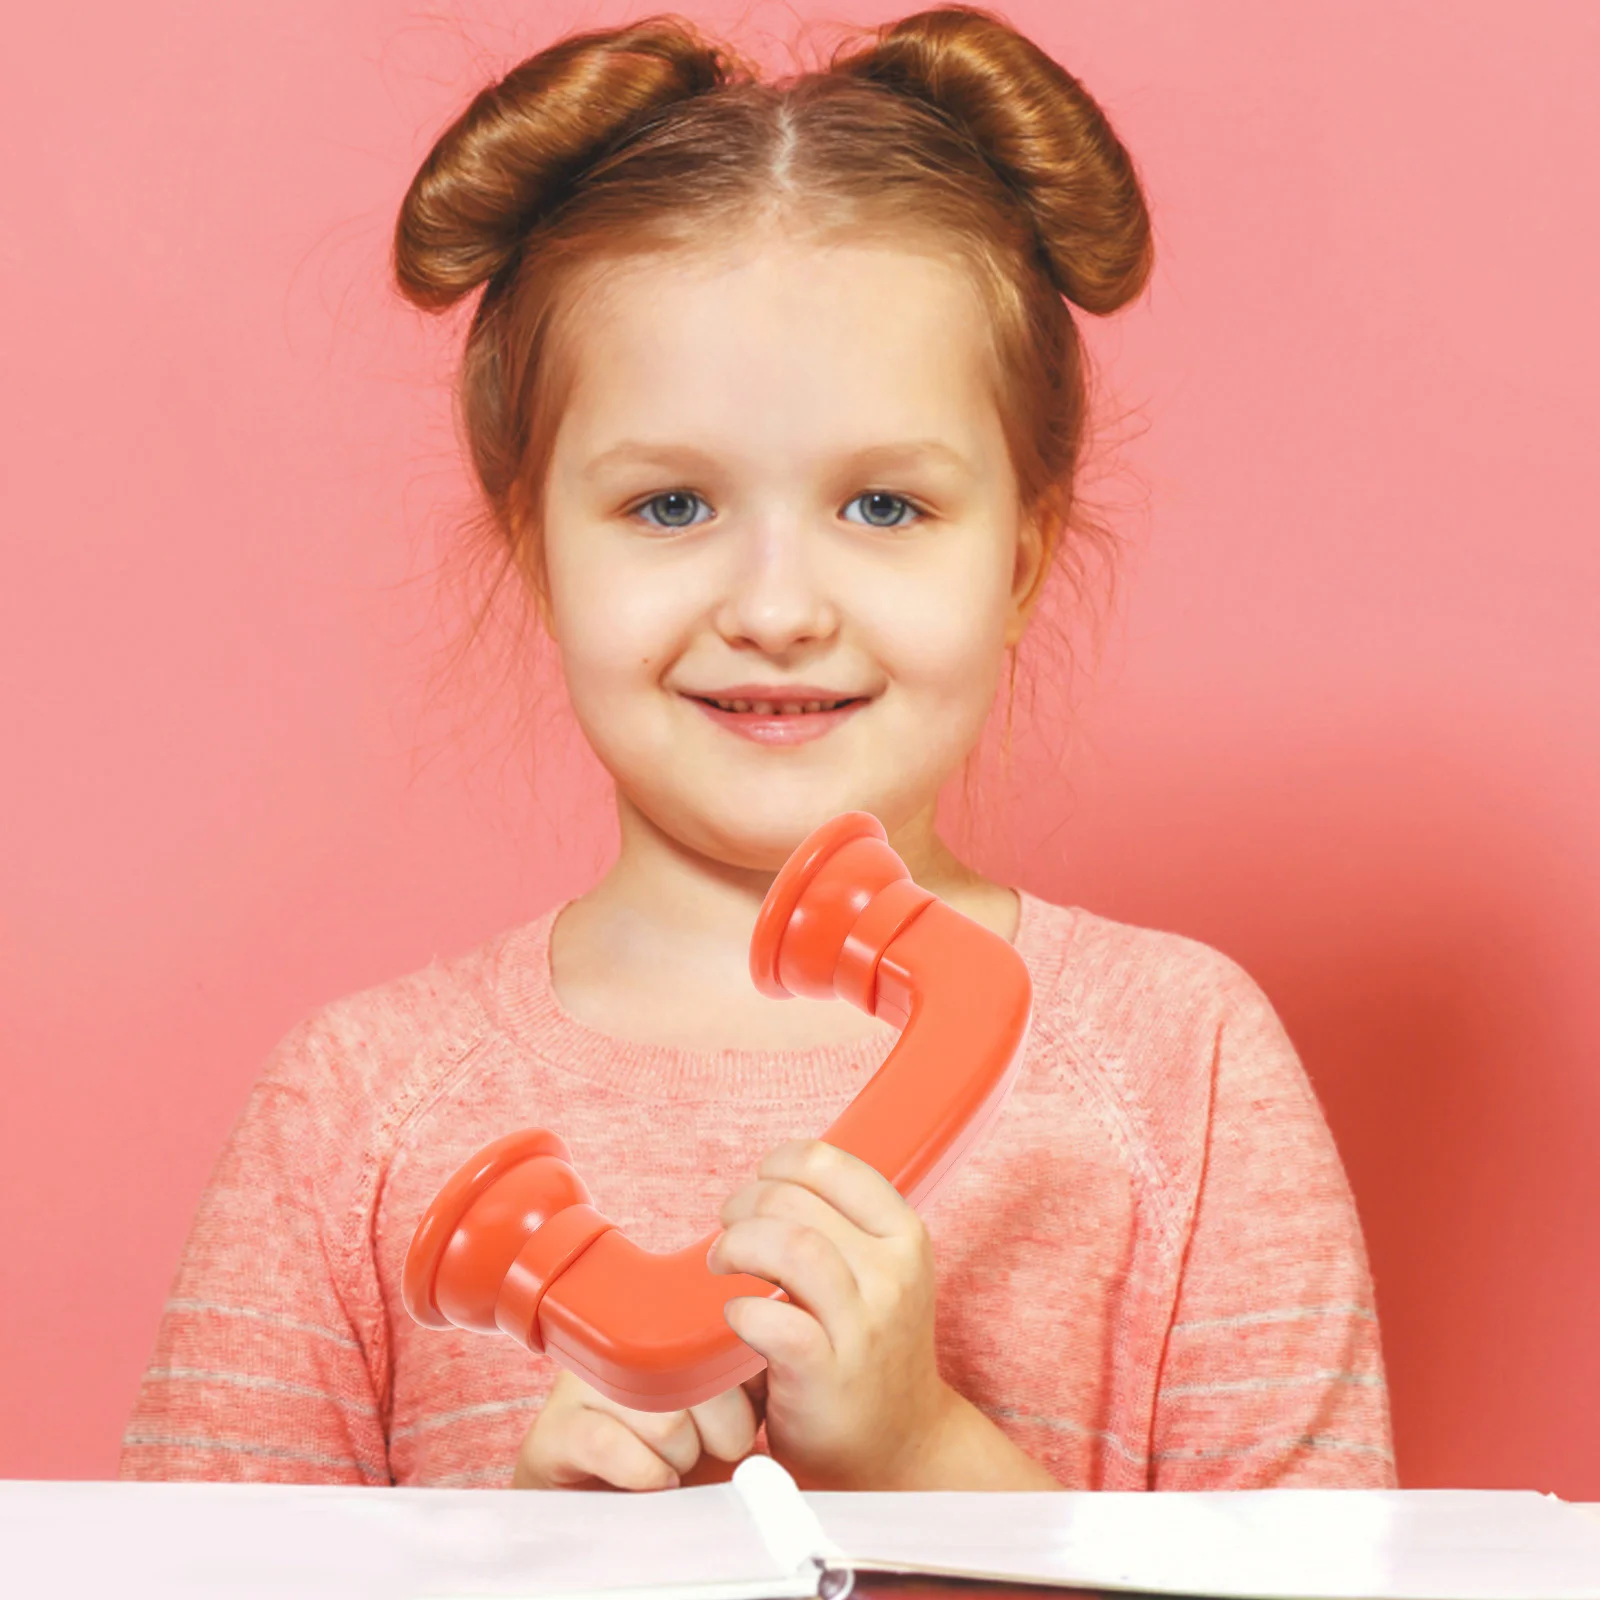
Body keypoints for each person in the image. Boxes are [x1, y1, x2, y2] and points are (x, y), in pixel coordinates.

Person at [120, 5, 1394, 1494]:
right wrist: (520, 1572)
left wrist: (926, 1457)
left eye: (885, 508)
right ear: (537, 546)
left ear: (1023, 560)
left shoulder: (1185, 1067)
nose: (778, 610)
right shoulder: (354, 1115)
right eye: (671, 507)